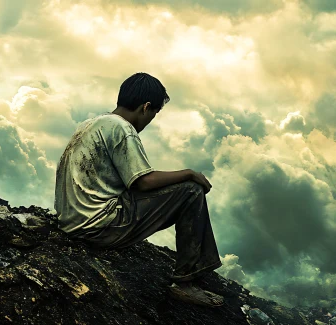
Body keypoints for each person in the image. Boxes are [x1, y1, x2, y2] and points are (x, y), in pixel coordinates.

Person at [54, 73, 223, 307]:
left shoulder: (92, 123)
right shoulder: (122, 130)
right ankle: (186, 283)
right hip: (99, 227)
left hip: (72, 222)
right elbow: (142, 182)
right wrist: (189, 173)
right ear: (145, 108)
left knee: (178, 188)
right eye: (154, 113)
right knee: (191, 191)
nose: (151, 119)